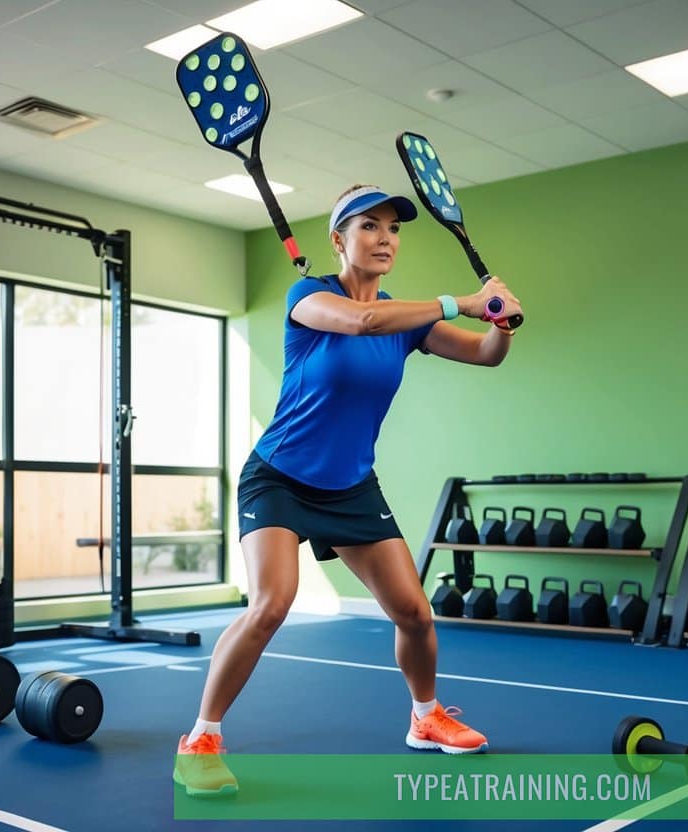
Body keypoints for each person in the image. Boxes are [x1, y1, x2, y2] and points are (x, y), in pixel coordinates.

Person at [173, 184, 522, 797]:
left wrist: (502, 320)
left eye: (393, 228)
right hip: (279, 478)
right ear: (339, 240)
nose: (385, 237)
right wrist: (459, 300)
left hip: (352, 485)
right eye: (369, 226)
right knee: (271, 604)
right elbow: (361, 321)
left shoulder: (407, 322)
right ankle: (201, 738)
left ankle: (425, 717)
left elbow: (487, 355)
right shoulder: (308, 297)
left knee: (414, 612)